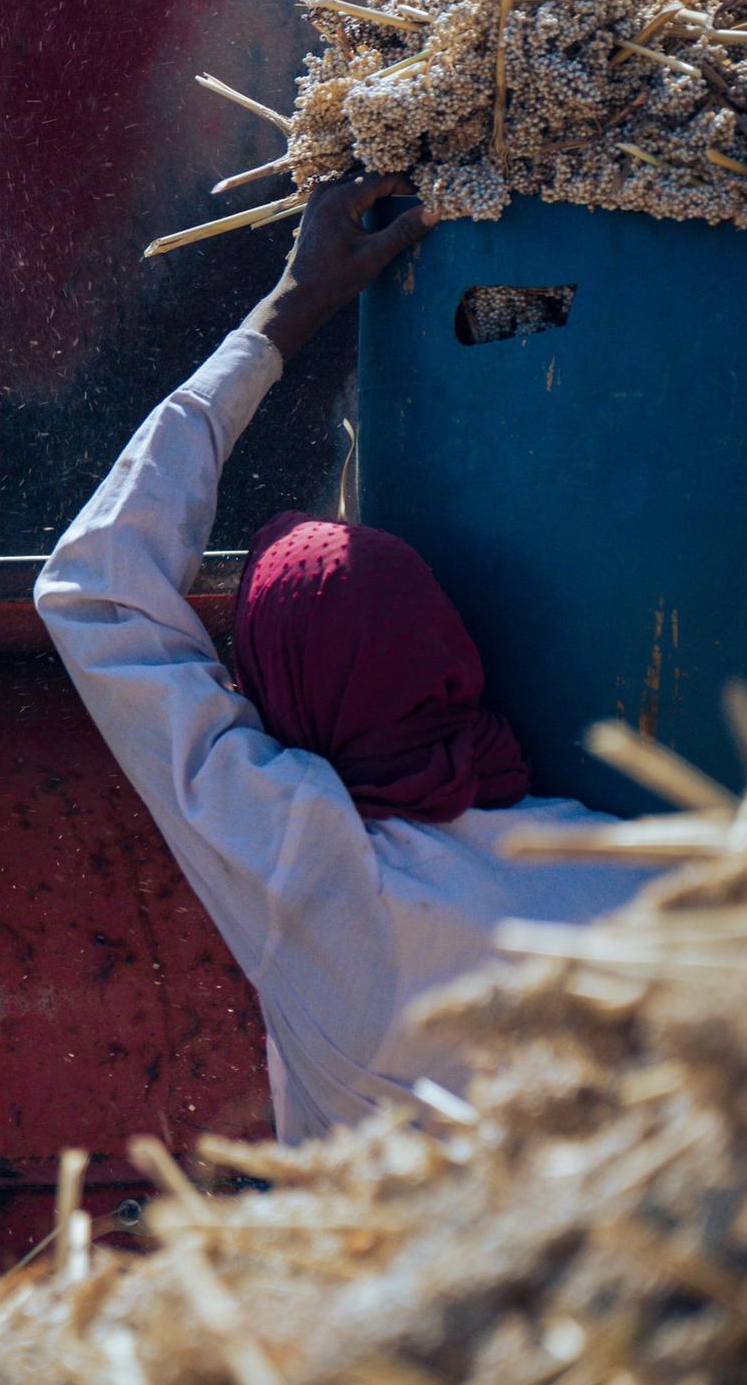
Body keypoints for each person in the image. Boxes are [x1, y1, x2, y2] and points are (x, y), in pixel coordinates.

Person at [34, 173, 647, 1144]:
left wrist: (289, 309)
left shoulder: (315, 872)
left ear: (286, 703)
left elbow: (94, 591)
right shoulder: (631, 874)